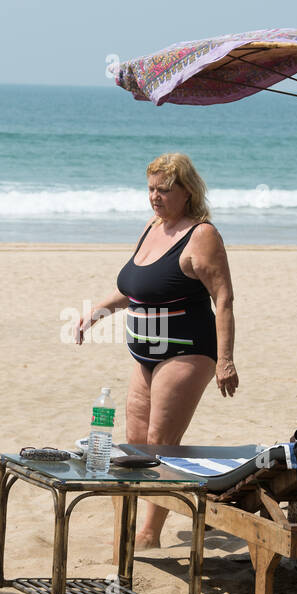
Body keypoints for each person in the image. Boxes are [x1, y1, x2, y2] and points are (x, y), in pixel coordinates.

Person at [77, 153, 238, 549]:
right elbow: (136, 287)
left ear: (187, 191)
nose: (155, 197)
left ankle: (149, 535)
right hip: (143, 353)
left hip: (187, 351)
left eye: (164, 190)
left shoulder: (202, 235)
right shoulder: (152, 226)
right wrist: (96, 312)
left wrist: (226, 360)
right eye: (150, 188)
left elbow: (224, 298)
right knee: (133, 443)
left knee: (160, 442)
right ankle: (130, 524)